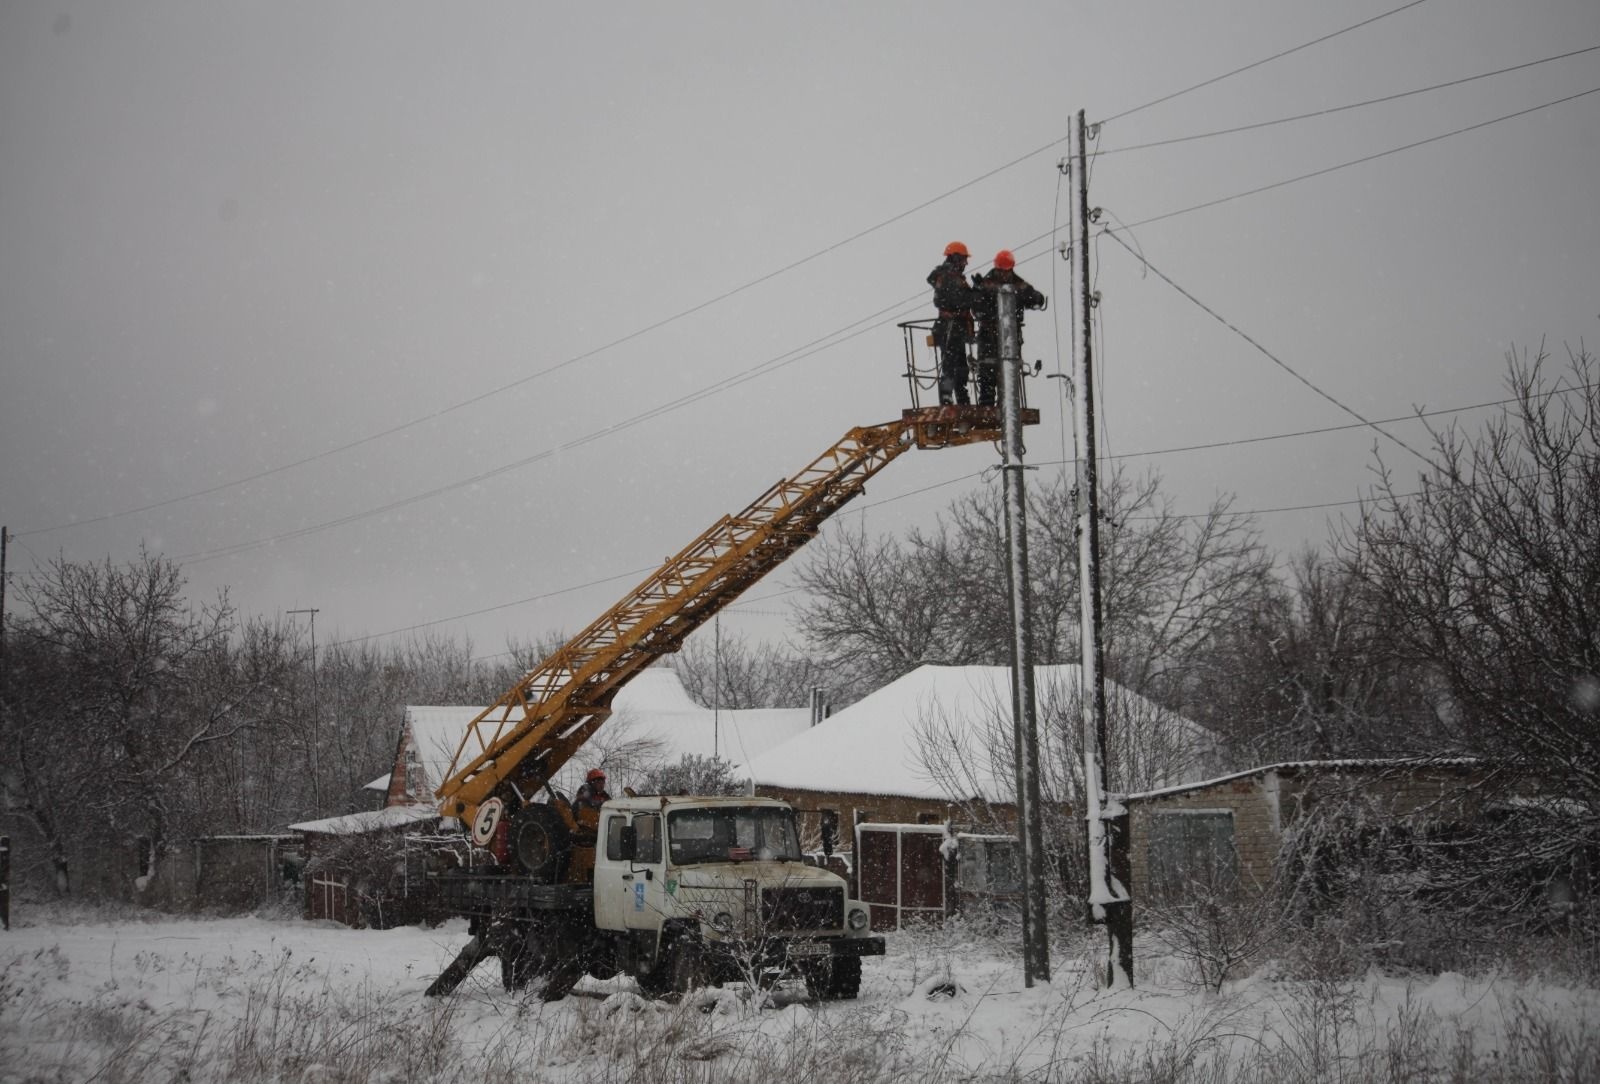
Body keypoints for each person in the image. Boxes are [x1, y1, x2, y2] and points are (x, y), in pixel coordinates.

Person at [971, 249, 1046, 407]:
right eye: (1002, 271)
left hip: (1009, 338)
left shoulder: (1018, 284)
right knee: (987, 378)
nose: (1005, 274)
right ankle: (988, 409)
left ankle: (1006, 409)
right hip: (989, 338)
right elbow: (976, 308)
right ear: (997, 268)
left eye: (1007, 271)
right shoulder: (985, 284)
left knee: (1008, 379)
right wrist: (979, 291)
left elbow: (1036, 297)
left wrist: (1035, 298)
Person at [926, 241, 977, 405]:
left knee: (959, 366)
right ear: (955, 258)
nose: (965, 263)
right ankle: (948, 398)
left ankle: (961, 399)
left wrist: (976, 290)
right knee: (950, 366)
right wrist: (974, 295)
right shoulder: (947, 277)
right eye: (963, 259)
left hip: (954, 328)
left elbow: (961, 298)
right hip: (949, 327)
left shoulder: (951, 277)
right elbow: (954, 299)